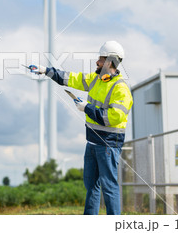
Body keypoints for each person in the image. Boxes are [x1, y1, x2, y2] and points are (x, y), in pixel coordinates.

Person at [29, 41, 133, 215]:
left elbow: (112, 118)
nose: (97, 62)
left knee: (109, 186)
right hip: (92, 142)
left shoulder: (121, 89)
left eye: (100, 59)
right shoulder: (96, 80)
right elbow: (70, 78)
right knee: (91, 186)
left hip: (108, 145)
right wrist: (45, 70)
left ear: (110, 61)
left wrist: (87, 108)